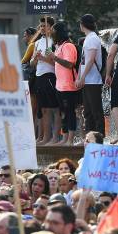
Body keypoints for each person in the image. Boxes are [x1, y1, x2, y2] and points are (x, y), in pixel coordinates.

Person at [45, 21, 78, 145]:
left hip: (69, 86)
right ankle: (64, 138)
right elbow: (57, 64)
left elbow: (70, 64)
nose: (50, 33)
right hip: (60, 86)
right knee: (63, 113)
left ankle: (70, 139)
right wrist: (49, 58)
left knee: (69, 113)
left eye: (52, 30)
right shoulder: (59, 46)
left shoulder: (68, 46)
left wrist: (54, 57)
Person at [32, 16, 62, 145]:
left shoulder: (53, 42)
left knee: (55, 108)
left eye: (45, 26)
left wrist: (43, 58)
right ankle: (45, 137)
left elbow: (55, 61)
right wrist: (35, 58)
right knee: (43, 109)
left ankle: (55, 137)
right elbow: (32, 63)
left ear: (51, 27)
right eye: (41, 26)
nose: (42, 28)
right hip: (39, 76)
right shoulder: (38, 42)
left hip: (50, 76)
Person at [75, 14, 105, 136]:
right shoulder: (88, 38)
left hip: (93, 80)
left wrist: (81, 77)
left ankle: (100, 137)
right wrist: (79, 76)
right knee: (87, 112)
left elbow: (91, 60)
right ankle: (89, 137)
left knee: (96, 111)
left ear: (83, 24)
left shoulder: (93, 38)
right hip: (87, 80)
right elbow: (83, 61)